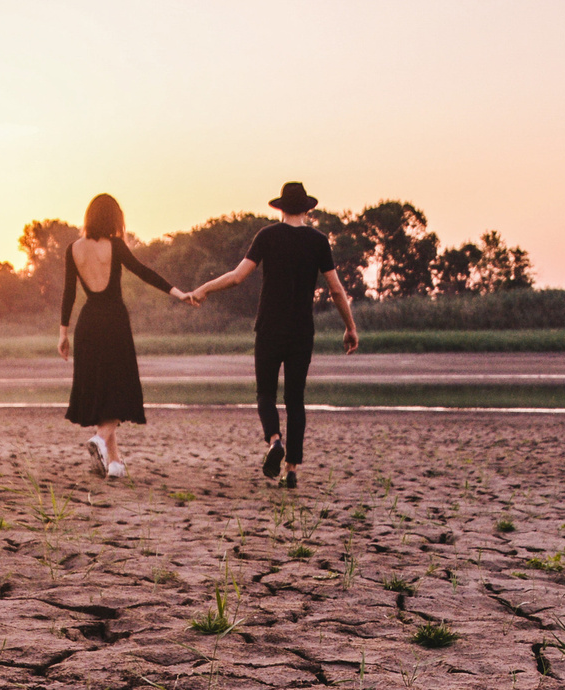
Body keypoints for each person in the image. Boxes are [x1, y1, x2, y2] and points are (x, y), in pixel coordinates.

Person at [187, 181, 361, 488]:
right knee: (296, 401)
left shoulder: (267, 236)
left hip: (269, 327)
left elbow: (238, 277)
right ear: (308, 209)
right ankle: (291, 470)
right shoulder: (319, 241)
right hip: (301, 331)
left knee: (265, 393)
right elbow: (335, 290)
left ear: (279, 208)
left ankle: (274, 440)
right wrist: (350, 326)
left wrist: (204, 288)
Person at [60, 193, 192, 478]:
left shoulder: (73, 248)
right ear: (113, 219)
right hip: (114, 324)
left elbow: (69, 294)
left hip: (86, 326)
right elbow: (144, 272)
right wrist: (179, 293)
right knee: (121, 389)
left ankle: (115, 464)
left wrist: (63, 334)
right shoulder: (115, 246)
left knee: (102, 390)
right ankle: (100, 438)